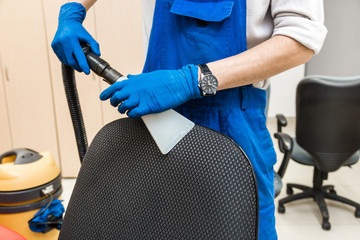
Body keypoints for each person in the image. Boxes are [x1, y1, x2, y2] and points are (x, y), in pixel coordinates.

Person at [52, 0, 327, 239]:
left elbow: (301, 40)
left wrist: (191, 81)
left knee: (241, 225)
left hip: (233, 121)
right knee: (157, 225)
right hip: (156, 113)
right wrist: (74, 9)